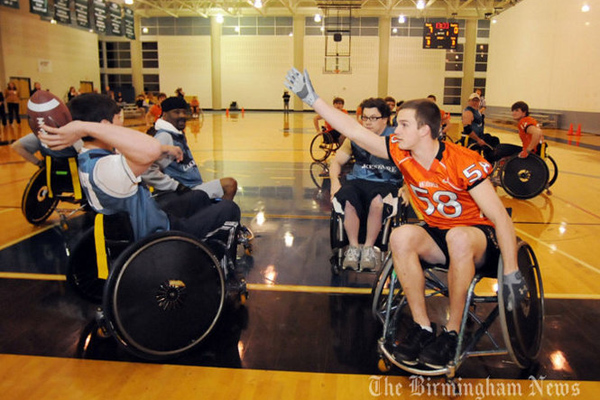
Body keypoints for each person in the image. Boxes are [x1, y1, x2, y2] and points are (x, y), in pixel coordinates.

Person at [285, 67, 527, 369]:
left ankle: (453, 333)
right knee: (401, 236)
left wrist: (513, 272)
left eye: (402, 124)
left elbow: (501, 219)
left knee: (458, 236)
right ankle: (423, 326)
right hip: (439, 235)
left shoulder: (464, 161)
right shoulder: (401, 153)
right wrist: (312, 99)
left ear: (424, 129)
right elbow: (356, 131)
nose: (395, 131)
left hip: (477, 239)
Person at [38, 93, 240, 245]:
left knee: (199, 197)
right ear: (104, 125)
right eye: (119, 118)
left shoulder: (92, 154)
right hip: (157, 235)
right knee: (228, 208)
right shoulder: (105, 168)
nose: (122, 123)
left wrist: (164, 148)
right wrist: (85, 127)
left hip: (148, 217)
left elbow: (146, 149)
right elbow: (149, 150)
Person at [329, 97, 402, 270]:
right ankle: (354, 248)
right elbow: (336, 162)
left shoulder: (396, 137)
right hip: (358, 180)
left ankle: (369, 248)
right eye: (365, 117)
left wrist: (406, 187)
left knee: (377, 200)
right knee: (347, 198)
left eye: (373, 118)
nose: (367, 122)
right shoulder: (355, 137)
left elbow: (411, 165)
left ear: (385, 118)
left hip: (386, 181)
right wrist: (334, 182)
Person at [142, 96, 238, 201]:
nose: (182, 115)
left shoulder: (177, 133)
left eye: (184, 112)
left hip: (192, 187)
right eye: (176, 112)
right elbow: (146, 170)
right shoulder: (165, 136)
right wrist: (176, 186)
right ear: (165, 115)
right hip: (184, 192)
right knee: (230, 185)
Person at [11, 132, 81, 167]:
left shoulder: (41, 135)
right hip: (77, 174)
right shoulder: (77, 135)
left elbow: (16, 146)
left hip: (51, 172)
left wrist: (39, 163)